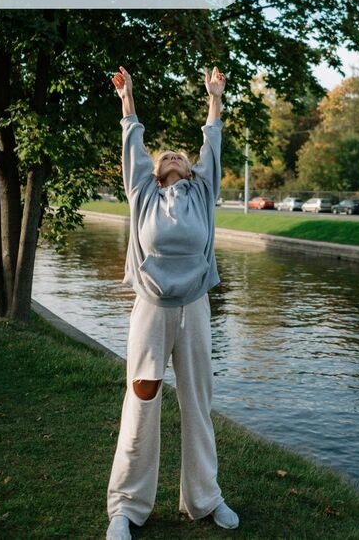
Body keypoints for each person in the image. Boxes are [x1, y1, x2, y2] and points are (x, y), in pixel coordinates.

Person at [105, 66, 239, 540]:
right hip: (152, 309)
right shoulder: (142, 193)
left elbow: (212, 144)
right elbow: (132, 143)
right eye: (167, 155)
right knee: (142, 397)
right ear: (156, 171)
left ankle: (204, 498)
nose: (175, 156)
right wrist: (128, 99)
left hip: (195, 307)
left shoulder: (202, 193)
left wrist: (215, 99)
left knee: (198, 399)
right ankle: (126, 507)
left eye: (181, 154)